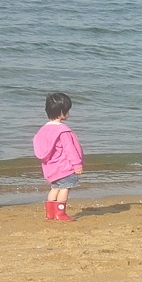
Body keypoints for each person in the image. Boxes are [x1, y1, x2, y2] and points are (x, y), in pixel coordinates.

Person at [32, 92, 84, 222]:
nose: (68, 113)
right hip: (64, 166)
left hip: (51, 168)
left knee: (55, 188)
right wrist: (77, 165)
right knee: (64, 188)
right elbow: (70, 150)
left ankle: (50, 213)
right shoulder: (63, 130)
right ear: (61, 112)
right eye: (67, 111)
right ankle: (60, 213)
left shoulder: (43, 130)